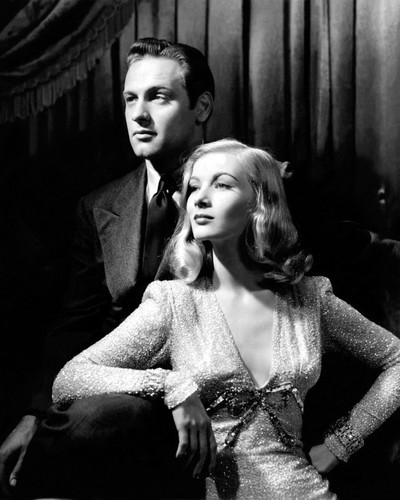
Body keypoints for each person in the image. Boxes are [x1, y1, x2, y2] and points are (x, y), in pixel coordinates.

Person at [38, 139, 400, 498]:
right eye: (194, 188)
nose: (200, 199)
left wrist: (341, 443)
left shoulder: (309, 298)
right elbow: (70, 378)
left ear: (260, 202)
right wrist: (170, 386)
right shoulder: (173, 303)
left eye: (222, 185)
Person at [0, 37, 214, 498]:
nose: (139, 115)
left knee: (96, 424)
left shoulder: (246, 185)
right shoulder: (100, 205)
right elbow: (78, 323)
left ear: (201, 107)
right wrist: (34, 415)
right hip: (119, 386)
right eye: (131, 99)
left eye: (158, 97)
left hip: (211, 390)